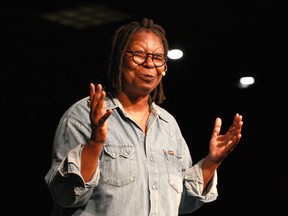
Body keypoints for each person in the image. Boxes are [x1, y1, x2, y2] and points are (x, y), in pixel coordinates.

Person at [45, 18, 243, 216]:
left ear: (164, 67)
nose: (149, 64)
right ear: (120, 58)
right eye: (139, 54)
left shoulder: (168, 126)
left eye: (158, 57)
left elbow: (181, 203)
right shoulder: (82, 116)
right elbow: (66, 196)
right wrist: (95, 142)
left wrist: (211, 162)